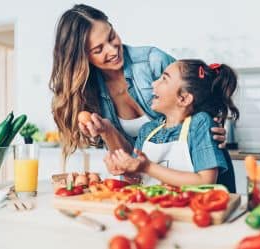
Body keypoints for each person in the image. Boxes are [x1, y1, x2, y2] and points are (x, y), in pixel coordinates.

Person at [49, 4, 235, 191]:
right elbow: (135, 166)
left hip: (207, 186)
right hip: (159, 193)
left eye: (111, 36)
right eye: (98, 50)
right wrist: (108, 133)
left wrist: (211, 124)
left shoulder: (153, 61)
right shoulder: (89, 93)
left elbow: (194, 93)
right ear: (82, 58)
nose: (113, 51)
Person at [104, 60, 239, 188]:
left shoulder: (199, 123)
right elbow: (137, 179)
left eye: (164, 79)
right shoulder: (147, 130)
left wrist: (148, 167)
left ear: (184, 98)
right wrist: (126, 170)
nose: (153, 84)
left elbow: (206, 181)